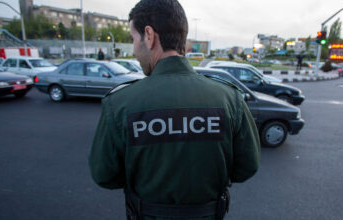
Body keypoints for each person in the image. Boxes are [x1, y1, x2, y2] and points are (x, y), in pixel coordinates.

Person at [88, 0, 260, 219]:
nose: (134, 50)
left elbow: (104, 175)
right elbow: (247, 166)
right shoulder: (229, 98)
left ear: (149, 35)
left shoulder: (120, 102)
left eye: (133, 39)